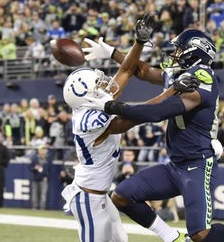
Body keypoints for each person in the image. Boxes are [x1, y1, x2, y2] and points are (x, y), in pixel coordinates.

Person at [84, 28, 224, 242]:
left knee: (200, 234)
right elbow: (144, 71)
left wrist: (112, 106)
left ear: (193, 52)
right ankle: (172, 237)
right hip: (175, 165)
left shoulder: (201, 78)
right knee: (122, 196)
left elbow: (158, 112)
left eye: (179, 49)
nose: (174, 53)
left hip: (198, 163)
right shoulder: (182, 75)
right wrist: (113, 52)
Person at [61, 14, 194, 242]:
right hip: (88, 198)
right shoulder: (88, 121)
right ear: (84, 96)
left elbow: (126, 71)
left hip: (101, 196)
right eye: (97, 85)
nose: (103, 84)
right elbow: (137, 116)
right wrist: (172, 90)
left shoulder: (94, 103)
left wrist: (139, 42)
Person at [29, 145, 52, 210]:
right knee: (34, 194)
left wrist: (47, 177)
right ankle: (34, 207)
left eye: (43, 150)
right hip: (35, 178)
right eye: (40, 150)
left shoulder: (48, 159)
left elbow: (50, 170)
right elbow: (30, 167)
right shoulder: (34, 158)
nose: (42, 151)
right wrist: (34, 168)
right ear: (38, 151)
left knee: (43, 195)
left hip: (44, 179)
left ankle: (42, 208)